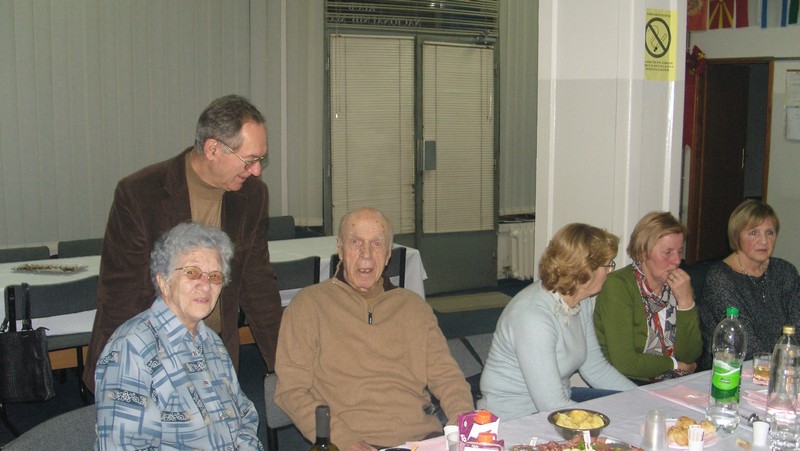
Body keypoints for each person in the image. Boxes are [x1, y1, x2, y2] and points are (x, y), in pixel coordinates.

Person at [83, 94, 282, 393]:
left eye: (260, 160)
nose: (256, 170)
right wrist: (121, 373)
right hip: (149, 352)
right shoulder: (140, 193)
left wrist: (286, 366)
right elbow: (121, 295)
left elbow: (258, 285)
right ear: (212, 149)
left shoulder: (252, 196)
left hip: (213, 352)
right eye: (250, 159)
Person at [274, 208, 473, 450]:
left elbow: (448, 378)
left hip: (419, 439)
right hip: (347, 442)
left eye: (377, 244)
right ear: (340, 249)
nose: (366, 253)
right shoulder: (308, 305)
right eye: (355, 242)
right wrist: (342, 440)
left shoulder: (414, 307)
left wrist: (463, 425)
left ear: (388, 254)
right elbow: (291, 391)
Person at [94, 223, 262, 450]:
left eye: (215, 276)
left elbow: (244, 414)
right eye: (192, 273)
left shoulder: (211, 341)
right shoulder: (131, 348)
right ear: (163, 281)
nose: (205, 286)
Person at [478, 223, 636, 420]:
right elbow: (551, 406)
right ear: (587, 271)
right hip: (516, 418)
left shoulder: (581, 301)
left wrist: (644, 398)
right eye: (608, 265)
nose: (610, 271)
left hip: (557, 401)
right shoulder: (533, 317)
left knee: (632, 409)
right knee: (619, 423)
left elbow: (595, 369)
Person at [594, 212, 702, 384]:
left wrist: (686, 303)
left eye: (679, 251)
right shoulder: (619, 286)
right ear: (643, 253)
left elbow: (690, 355)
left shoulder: (679, 285)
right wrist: (675, 365)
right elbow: (626, 363)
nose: (677, 260)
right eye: (667, 252)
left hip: (671, 383)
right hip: (626, 383)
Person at [699, 200, 800, 369]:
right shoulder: (720, 277)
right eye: (754, 233)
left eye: (769, 233)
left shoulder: (785, 271)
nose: (764, 241)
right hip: (730, 371)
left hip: (786, 368)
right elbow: (746, 344)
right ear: (737, 236)